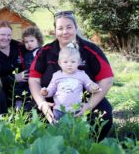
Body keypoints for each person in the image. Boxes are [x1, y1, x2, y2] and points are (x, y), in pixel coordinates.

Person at [29, 11, 113, 141]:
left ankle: (87, 144)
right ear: (55, 31)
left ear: (76, 28)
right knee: (30, 111)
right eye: (60, 28)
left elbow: (107, 79)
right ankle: (52, 144)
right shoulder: (45, 51)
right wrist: (42, 104)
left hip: (83, 102)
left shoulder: (90, 50)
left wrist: (88, 106)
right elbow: (33, 79)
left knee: (105, 111)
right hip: (52, 103)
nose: (65, 32)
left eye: (69, 27)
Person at [40, 42, 100, 121]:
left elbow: (89, 84)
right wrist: (46, 92)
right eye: (65, 62)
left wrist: (93, 87)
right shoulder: (57, 75)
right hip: (58, 110)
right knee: (58, 128)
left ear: (78, 62)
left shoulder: (81, 75)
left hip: (75, 110)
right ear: (59, 63)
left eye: (73, 62)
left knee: (74, 130)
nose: (69, 65)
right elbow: (51, 89)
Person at [0, 21, 28, 107]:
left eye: (9, 35)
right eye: (2, 35)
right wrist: (13, 78)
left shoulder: (19, 47)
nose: (6, 38)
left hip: (22, 90)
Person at [15, 26, 44, 110]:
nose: (29, 44)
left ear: (38, 40)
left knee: (28, 89)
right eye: (26, 42)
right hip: (27, 75)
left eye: (32, 41)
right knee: (18, 85)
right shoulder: (27, 52)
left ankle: (27, 105)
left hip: (35, 76)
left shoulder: (39, 51)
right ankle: (19, 102)